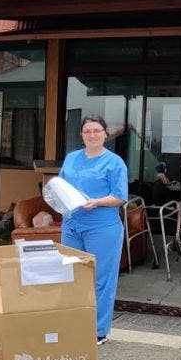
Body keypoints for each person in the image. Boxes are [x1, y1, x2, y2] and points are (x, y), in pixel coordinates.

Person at [58, 114, 128, 346]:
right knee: (72, 277)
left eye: (97, 130)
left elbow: (119, 197)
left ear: (105, 134)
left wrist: (96, 202)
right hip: (72, 226)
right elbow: (61, 187)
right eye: (87, 131)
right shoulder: (71, 158)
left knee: (101, 280)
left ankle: (99, 330)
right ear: (81, 134)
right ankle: (74, 324)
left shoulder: (114, 162)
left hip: (102, 228)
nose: (92, 135)